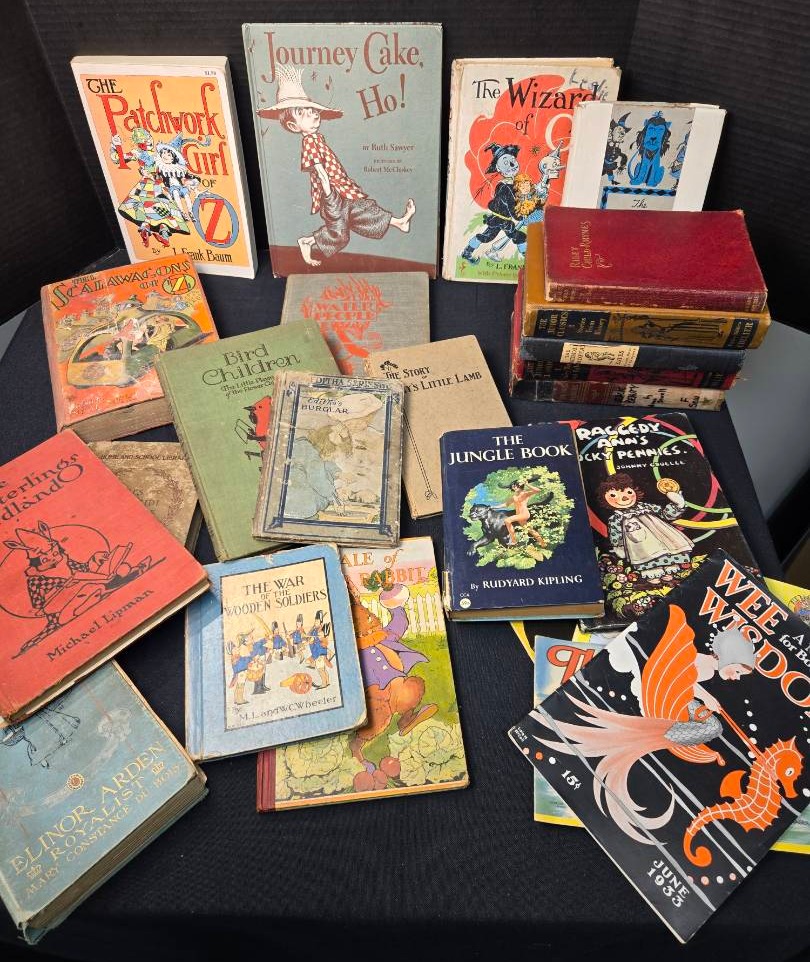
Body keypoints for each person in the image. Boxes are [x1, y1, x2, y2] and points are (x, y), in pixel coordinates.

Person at [258, 65, 415, 266]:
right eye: (303, 113)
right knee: (339, 233)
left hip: (341, 188)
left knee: (362, 210)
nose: (313, 114)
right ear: (293, 126)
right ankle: (307, 242)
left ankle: (399, 222)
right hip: (331, 193)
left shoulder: (317, 138)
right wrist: (330, 196)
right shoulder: (309, 142)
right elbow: (320, 172)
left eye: (312, 110)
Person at [598, 472, 693, 583]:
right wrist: (619, 547)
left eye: (628, 492)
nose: (624, 497)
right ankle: (652, 574)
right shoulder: (616, 518)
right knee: (644, 556)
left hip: (660, 536)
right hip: (638, 544)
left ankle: (669, 569)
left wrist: (678, 504)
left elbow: (665, 515)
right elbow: (616, 534)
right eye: (613, 495)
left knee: (667, 550)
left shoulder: (645, 507)